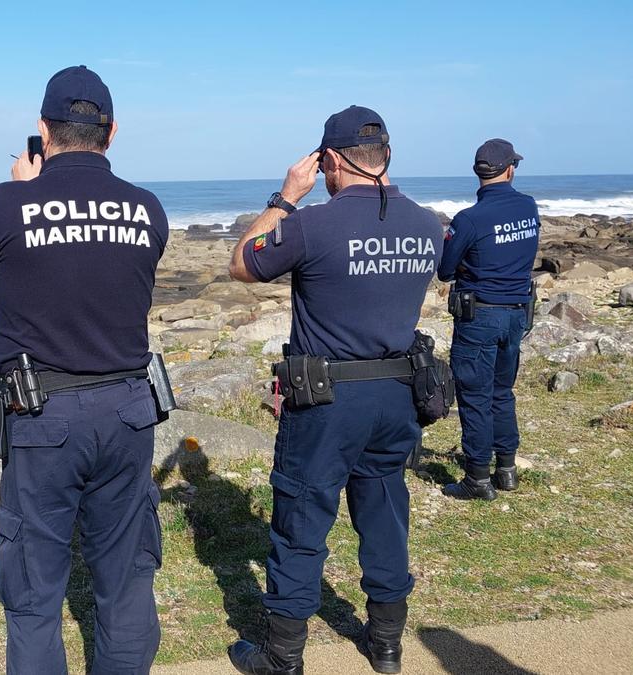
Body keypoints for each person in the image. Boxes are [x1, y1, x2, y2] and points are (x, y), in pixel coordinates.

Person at [0, 65, 169, 674]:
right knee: (127, 582)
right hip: (129, 411)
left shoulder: (8, 203)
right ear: (110, 132)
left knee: (32, 597)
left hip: (42, 415)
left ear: (42, 131)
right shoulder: (146, 208)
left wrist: (26, 187)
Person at [226, 106, 443, 675]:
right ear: (387, 155)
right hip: (399, 394)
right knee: (385, 513)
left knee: (301, 521)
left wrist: (284, 197)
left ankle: (283, 655)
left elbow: (242, 266)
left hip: (326, 400)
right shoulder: (427, 224)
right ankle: (387, 643)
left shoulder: (310, 223)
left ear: (330, 162)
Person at [439, 139, 540, 500]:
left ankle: (477, 478)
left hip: (479, 315)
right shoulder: (529, 207)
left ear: (478, 173)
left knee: (474, 396)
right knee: (501, 392)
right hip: (516, 314)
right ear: (510, 169)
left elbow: (445, 270)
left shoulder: (469, 219)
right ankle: (507, 468)